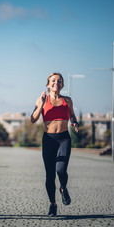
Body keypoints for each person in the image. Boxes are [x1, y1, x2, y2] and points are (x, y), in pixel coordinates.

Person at [30, 72, 79, 217]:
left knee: (61, 170)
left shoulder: (68, 100)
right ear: (48, 84)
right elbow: (33, 119)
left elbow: (72, 115)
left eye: (59, 81)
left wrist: (74, 122)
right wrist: (41, 105)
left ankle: (63, 188)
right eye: (53, 80)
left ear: (62, 84)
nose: (56, 82)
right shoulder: (43, 100)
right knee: (49, 175)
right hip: (49, 140)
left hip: (64, 139)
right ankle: (53, 205)